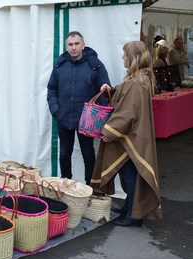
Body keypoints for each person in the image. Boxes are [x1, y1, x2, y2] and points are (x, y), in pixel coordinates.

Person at [90, 41, 162, 227]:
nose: (123, 58)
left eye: (124, 55)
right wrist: (112, 91)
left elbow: (128, 112)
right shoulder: (139, 79)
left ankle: (134, 215)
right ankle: (130, 208)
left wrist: (109, 132)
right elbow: (127, 103)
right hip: (133, 135)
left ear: (132, 58)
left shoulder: (136, 82)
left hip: (130, 137)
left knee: (130, 174)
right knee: (128, 173)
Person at [47, 31, 111, 185]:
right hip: (64, 118)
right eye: (70, 44)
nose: (74, 47)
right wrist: (56, 110)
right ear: (66, 46)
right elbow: (52, 89)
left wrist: (99, 117)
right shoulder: (60, 65)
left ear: (83, 45)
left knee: (88, 154)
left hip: (87, 120)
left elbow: (105, 92)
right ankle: (66, 185)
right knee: (64, 154)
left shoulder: (95, 65)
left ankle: (91, 187)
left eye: (77, 44)